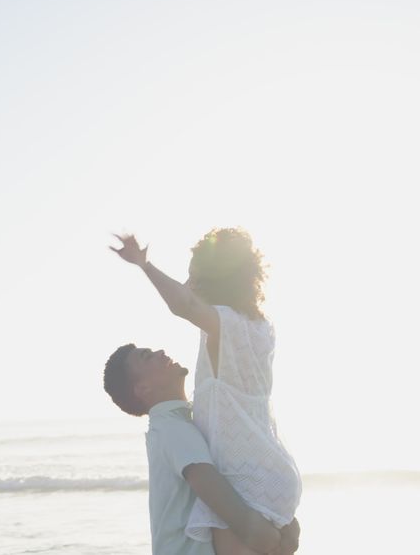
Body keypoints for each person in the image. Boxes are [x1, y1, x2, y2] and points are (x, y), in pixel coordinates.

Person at [110, 230, 301, 555]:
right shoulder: (259, 327)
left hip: (245, 479)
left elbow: (183, 303)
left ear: (209, 282)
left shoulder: (223, 327)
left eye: (192, 277)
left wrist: (145, 265)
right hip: (275, 470)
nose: (187, 284)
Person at [103, 343, 299, 555]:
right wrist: (267, 537)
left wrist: (284, 521)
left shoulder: (179, 424)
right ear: (143, 389)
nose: (160, 352)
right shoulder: (172, 428)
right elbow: (210, 485)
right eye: (147, 356)